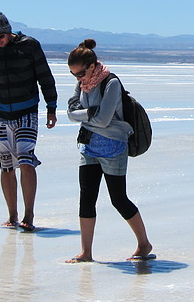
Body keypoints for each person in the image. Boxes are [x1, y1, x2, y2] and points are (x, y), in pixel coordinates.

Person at [65, 39, 153, 263]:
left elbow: (104, 120)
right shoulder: (82, 84)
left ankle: (144, 243)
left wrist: (86, 115)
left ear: (92, 66)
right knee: (86, 199)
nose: (78, 79)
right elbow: (70, 113)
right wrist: (90, 113)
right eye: (74, 75)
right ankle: (86, 252)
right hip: (88, 146)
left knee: (118, 199)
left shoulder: (111, 83)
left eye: (81, 74)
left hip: (113, 146)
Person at [0, 10, 57, 231]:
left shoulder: (29, 46)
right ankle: (12, 216)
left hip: (27, 111)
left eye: (0, 36)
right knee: (6, 166)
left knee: (25, 160)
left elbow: (45, 77)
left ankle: (29, 215)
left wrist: (51, 108)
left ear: (9, 32)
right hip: (0, 115)